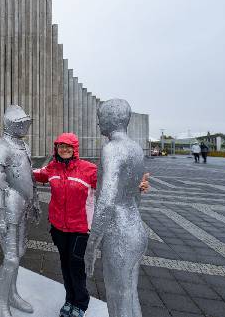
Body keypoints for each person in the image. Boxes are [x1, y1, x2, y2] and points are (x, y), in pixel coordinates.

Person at [33, 132, 149, 317]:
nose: (64, 149)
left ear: (75, 149)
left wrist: (136, 185)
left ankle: (80, 304)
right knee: (65, 265)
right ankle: (69, 300)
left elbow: (113, 186)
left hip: (80, 229)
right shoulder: (52, 168)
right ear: (56, 148)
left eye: (68, 146)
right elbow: (36, 175)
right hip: (58, 228)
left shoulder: (88, 169)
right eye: (61, 146)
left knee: (77, 267)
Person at [84, 99, 148, 317]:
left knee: (117, 301)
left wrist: (91, 246)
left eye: (100, 118)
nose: (98, 123)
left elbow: (107, 201)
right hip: (136, 227)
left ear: (111, 119)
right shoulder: (136, 148)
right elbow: (135, 194)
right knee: (130, 295)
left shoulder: (112, 149)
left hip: (118, 233)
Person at [0, 105, 40, 317]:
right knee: (10, 258)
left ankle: (13, 294)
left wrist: (34, 201)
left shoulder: (23, 145)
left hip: (23, 205)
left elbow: (30, 176)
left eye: (26, 123)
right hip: (8, 206)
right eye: (21, 123)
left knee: (20, 253)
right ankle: (2, 305)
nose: (25, 126)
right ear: (11, 124)